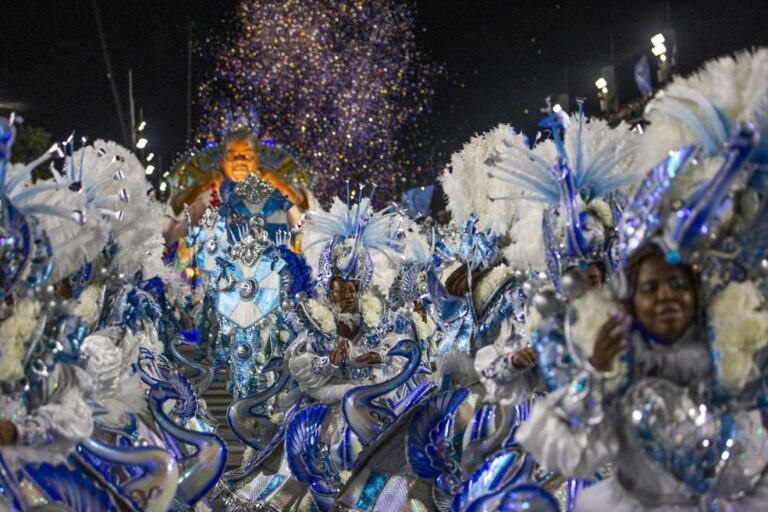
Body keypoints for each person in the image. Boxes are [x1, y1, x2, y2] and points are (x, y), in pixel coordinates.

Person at [165, 129, 310, 244]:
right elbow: (174, 217)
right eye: (233, 156)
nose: (240, 161)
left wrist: (281, 183)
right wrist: (199, 186)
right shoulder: (209, 191)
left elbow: (306, 218)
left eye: (246, 156)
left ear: (257, 159)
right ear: (223, 160)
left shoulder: (274, 189)